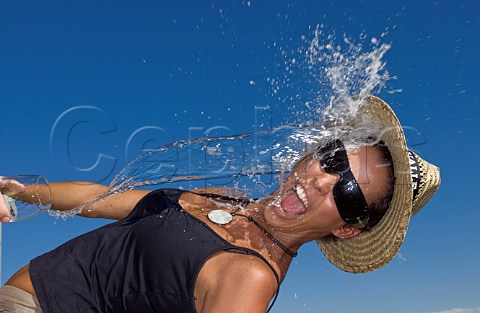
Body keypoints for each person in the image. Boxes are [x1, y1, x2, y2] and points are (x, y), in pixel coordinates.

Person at [0, 96, 440, 313]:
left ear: (347, 228)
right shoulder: (228, 200)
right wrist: (15, 192)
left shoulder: (251, 276)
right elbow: (101, 199)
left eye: (347, 192)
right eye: (332, 159)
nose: (323, 180)